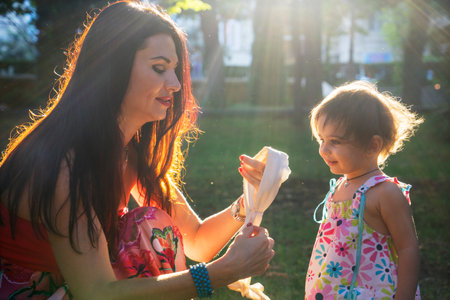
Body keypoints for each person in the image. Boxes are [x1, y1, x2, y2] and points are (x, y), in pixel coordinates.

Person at [0, 1, 275, 299]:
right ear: (111, 67)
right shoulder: (65, 163)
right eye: (159, 68)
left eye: (174, 70)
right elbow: (97, 293)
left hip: (75, 289)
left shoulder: (128, 152)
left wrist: (248, 202)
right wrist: (222, 272)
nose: (175, 84)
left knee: (150, 226)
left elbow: (195, 240)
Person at [305, 81, 423, 299]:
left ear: (372, 146)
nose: (324, 149)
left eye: (335, 141)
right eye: (322, 139)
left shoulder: (384, 193)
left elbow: (408, 249)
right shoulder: (339, 187)